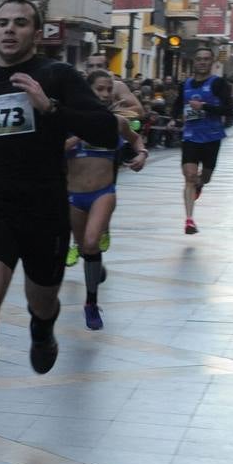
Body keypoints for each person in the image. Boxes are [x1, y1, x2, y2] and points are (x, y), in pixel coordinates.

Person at [0, 0, 117, 464]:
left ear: (37, 33)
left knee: (43, 299)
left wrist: (49, 106)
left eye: (20, 24)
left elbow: (106, 129)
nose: (9, 31)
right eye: (2, 24)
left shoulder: (59, 77)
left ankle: (43, 326)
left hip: (46, 209)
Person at [65, 70, 147, 330]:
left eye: (108, 89)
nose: (104, 94)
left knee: (90, 241)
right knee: (84, 246)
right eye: (99, 89)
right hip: (73, 196)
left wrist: (142, 155)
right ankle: (95, 266)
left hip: (103, 193)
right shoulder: (70, 121)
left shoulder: (115, 122)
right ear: (87, 90)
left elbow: (136, 140)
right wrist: (77, 136)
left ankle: (91, 303)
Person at [172, 47, 231, 235]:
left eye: (206, 59)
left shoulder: (218, 83)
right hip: (190, 136)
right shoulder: (186, 84)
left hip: (212, 137)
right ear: (194, 61)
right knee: (189, 175)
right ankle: (189, 220)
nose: (202, 62)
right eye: (199, 59)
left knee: (204, 177)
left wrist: (204, 107)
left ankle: (200, 184)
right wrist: (175, 118)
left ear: (212, 62)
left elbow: (228, 109)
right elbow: (176, 107)